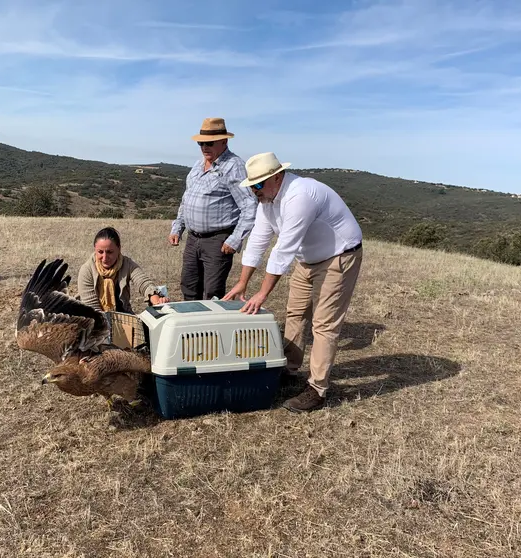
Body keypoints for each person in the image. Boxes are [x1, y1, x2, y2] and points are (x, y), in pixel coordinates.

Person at [223, 152, 363, 413]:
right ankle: (288, 368)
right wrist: (242, 283)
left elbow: (283, 250)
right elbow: (258, 241)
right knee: (295, 313)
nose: (254, 191)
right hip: (307, 258)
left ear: (277, 177)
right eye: (251, 186)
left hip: (338, 256)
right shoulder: (267, 199)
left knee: (324, 324)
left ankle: (317, 389)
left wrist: (262, 293)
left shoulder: (300, 195)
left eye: (258, 185)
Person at [169, 117, 257, 300]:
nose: (204, 147)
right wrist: (178, 226)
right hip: (193, 239)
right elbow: (187, 198)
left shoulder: (234, 166)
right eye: (201, 143)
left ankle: (209, 327)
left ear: (224, 141)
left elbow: (249, 205)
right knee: (189, 286)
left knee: (212, 293)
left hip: (218, 240)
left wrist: (235, 239)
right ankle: (190, 326)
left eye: (209, 143)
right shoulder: (197, 165)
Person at [78, 227, 170, 315]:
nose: (105, 258)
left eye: (110, 252)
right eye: (100, 252)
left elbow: (143, 282)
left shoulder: (127, 264)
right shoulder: (87, 270)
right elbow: (92, 310)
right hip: (95, 321)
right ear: (95, 249)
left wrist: (154, 297)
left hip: (124, 316)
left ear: (119, 249)